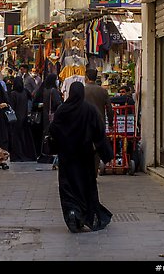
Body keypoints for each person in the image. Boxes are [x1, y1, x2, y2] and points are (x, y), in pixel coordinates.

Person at [48, 81, 114, 233]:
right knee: (85, 186)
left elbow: (53, 129)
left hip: (67, 157)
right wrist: (106, 153)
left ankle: (72, 212)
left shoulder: (62, 110)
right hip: (85, 156)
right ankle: (83, 214)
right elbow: (98, 131)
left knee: (68, 186)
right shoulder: (89, 110)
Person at [84, 68, 114, 176]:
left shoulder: (82, 90)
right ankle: (94, 171)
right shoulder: (103, 91)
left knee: (85, 146)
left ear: (86, 77)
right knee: (97, 147)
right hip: (99, 123)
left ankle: (86, 170)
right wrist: (111, 123)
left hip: (85, 123)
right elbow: (109, 109)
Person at [32, 73, 63, 164]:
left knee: (46, 136)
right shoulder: (53, 91)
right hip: (52, 117)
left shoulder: (45, 90)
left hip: (45, 117)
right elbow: (58, 104)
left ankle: (45, 154)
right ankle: (51, 154)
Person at [8, 76, 37, 162]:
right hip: (24, 118)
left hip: (16, 119)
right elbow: (31, 100)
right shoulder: (25, 92)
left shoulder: (13, 94)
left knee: (16, 138)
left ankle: (18, 155)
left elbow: (11, 107)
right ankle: (25, 154)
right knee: (24, 137)